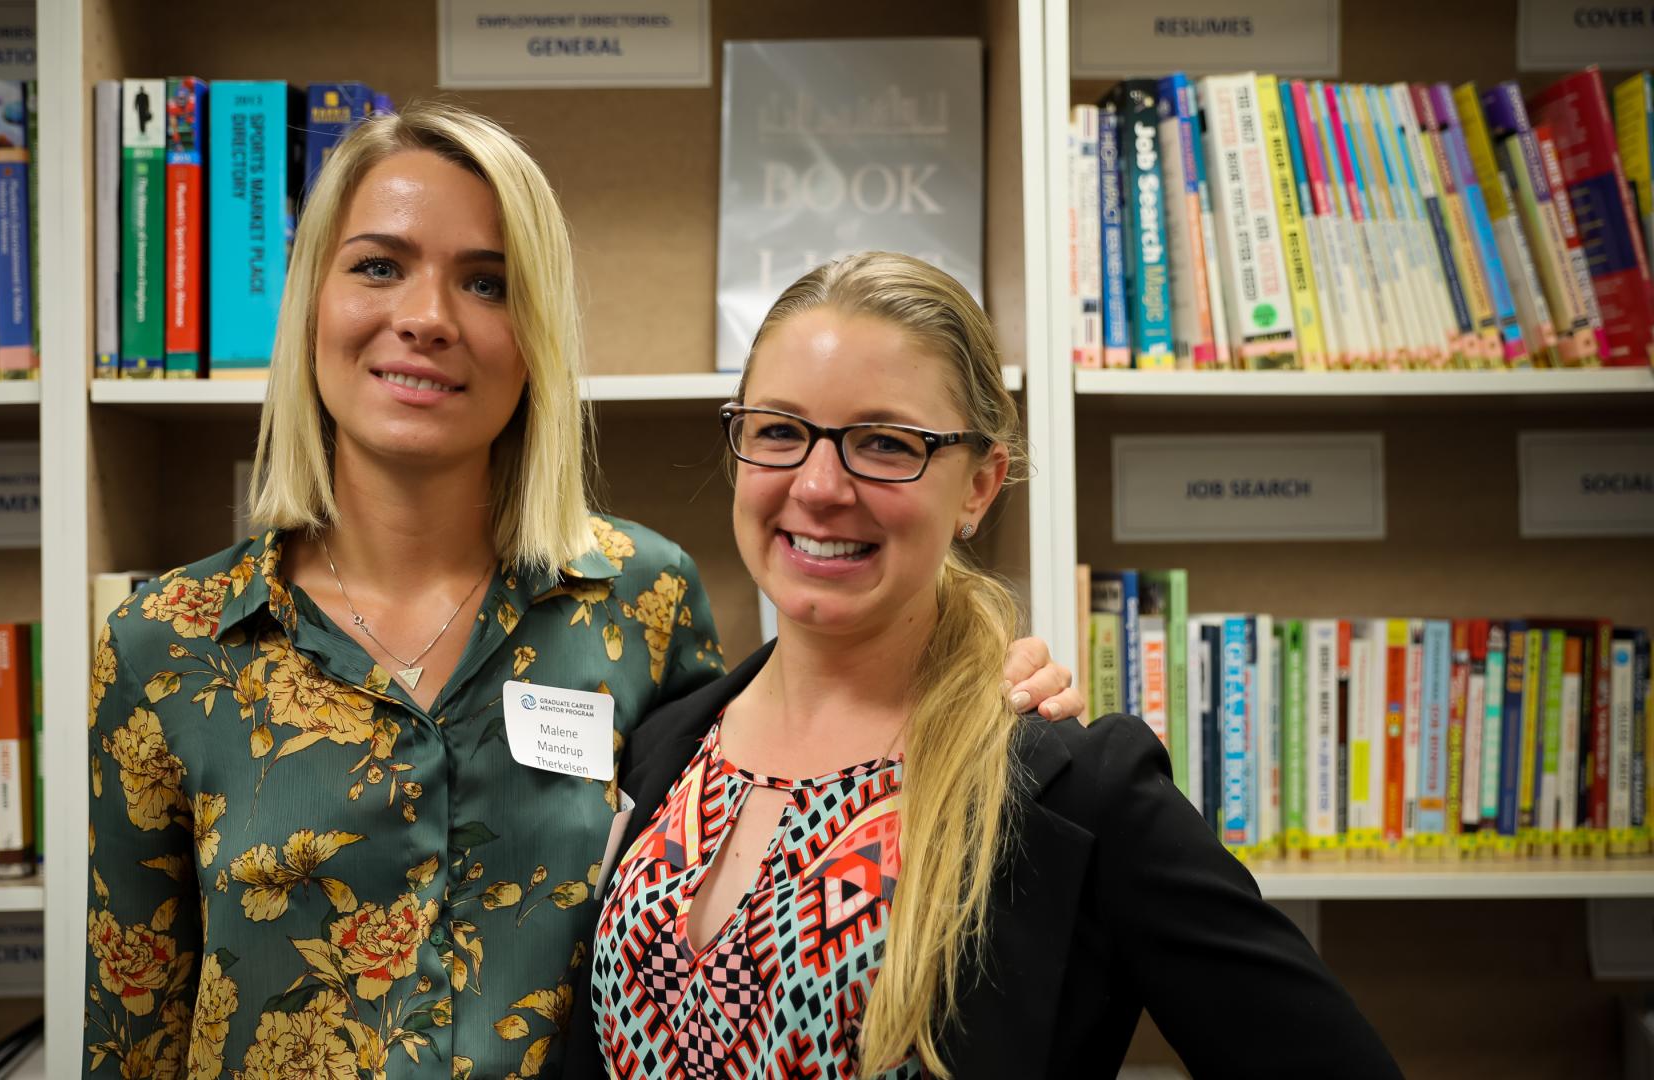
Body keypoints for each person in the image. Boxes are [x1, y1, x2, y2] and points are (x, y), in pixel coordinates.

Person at [84, 104, 1082, 1079]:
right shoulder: (165, 645)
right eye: (379, 266)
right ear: (309, 305)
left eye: (486, 282)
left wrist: (983, 681)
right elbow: (131, 1033)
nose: (426, 318)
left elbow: (805, 770)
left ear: (535, 336)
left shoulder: (641, 602)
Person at [568, 253, 1402, 1080]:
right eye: (780, 431)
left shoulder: (1071, 789)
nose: (819, 486)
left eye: (886, 444)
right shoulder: (664, 744)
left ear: (978, 487)